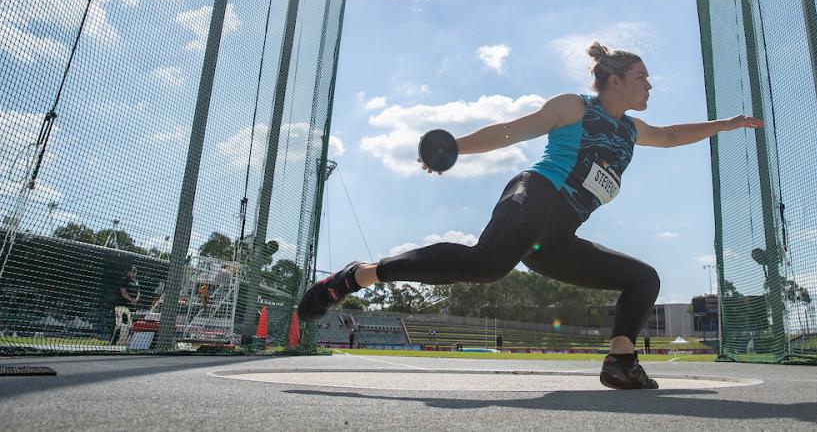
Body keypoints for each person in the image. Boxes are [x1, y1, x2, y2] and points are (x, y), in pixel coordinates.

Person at [298, 42, 763, 389]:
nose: (650, 85)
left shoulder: (630, 129)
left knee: (644, 278)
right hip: (534, 196)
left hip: (558, 235)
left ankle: (622, 362)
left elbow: (671, 135)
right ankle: (358, 275)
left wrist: (726, 125)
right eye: (643, 77)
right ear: (615, 81)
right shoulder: (574, 106)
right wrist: (455, 147)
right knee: (487, 264)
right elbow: (510, 131)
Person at [110, 265, 140, 346]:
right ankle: (113, 342)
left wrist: (136, 300)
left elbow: (138, 292)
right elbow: (123, 292)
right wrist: (131, 299)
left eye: (134, 272)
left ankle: (124, 342)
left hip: (131, 306)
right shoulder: (124, 280)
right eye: (131, 271)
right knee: (119, 324)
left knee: (129, 325)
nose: (132, 273)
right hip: (121, 305)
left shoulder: (136, 281)